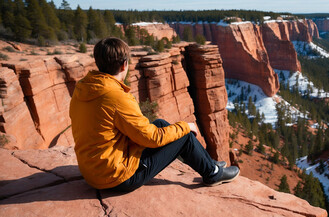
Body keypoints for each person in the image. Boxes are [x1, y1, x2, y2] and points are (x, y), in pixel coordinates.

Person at [69, 37, 239, 192]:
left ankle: (208, 163)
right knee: (183, 136)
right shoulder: (115, 96)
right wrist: (186, 126)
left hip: (93, 170)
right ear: (124, 65)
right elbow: (151, 139)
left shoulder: (84, 88)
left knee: (159, 124)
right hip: (116, 178)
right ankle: (213, 173)